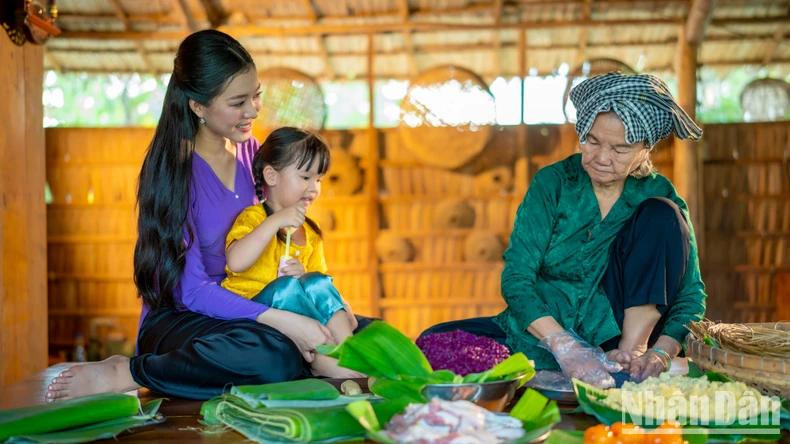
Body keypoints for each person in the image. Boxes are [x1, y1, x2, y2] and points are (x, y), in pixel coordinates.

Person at [45, 29, 369, 401]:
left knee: (358, 327)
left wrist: (304, 295)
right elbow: (195, 292)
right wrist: (286, 321)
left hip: (253, 307)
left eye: (256, 95)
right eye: (238, 101)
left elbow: (282, 231)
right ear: (198, 106)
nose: (253, 110)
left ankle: (300, 350)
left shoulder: (255, 159)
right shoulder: (174, 174)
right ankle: (131, 370)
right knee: (273, 356)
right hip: (185, 318)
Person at [419, 72, 706, 388]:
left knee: (661, 214)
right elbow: (517, 278)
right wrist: (562, 345)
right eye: (592, 141)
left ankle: (625, 358)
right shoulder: (554, 183)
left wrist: (662, 353)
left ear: (645, 148)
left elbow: (690, 294)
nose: (601, 158)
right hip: (544, 332)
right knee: (433, 343)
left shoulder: (660, 194)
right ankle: (576, 365)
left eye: (620, 149)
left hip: (617, 331)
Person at [221, 126, 361, 379]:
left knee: (316, 281)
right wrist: (274, 222)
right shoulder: (254, 218)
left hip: (302, 317)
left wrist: (307, 277)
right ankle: (324, 359)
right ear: (272, 177)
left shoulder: (310, 232)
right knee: (285, 288)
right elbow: (236, 261)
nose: (314, 187)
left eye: (318, 179)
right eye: (305, 177)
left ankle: (348, 352)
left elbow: (322, 282)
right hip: (254, 314)